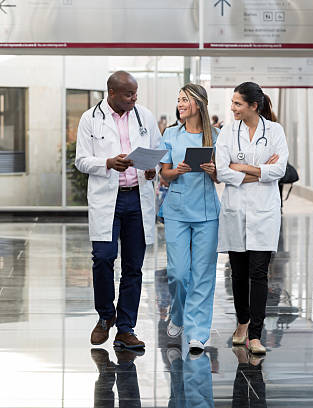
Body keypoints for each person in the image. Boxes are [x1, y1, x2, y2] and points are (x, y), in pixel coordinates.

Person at [75, 71, 162, 350]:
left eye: (136, 93)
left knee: (133, 267)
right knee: (102, 259)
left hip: (137, 199)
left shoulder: (144, 116)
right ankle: (105, 316)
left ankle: (126, 328)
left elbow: (159, 152)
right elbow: (81, 161)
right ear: (111, 93)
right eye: (128, 94)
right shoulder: (90, 118)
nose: (134, 98)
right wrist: (108, 163)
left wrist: (152, 169)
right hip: (107, 200)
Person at [215, 82, 289, 355]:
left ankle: (255, 334)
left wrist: (243, 167)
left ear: (253, 106)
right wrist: (259, 171)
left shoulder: (275, 131)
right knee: (239, 273)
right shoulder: (227, 131)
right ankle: (242, 323)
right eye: (232, 103)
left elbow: (279, 169)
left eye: (237, 104)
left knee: (259, 273)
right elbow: (222, 171)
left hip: (264, 211)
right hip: (236, 210)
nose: (232, 108)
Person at [158, 84, 220, 352]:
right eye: (179, 99)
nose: (180, 104)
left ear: (198, 104)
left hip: (207, 212)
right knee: (179, 273)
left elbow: (221, 176)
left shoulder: (216, 136)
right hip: (177, 211)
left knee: (203, 274)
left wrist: (213, 170)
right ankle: (178, 314)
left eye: (185, 100)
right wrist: (178, 170)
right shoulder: (171, 134)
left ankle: (198, 333)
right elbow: (164, 174)